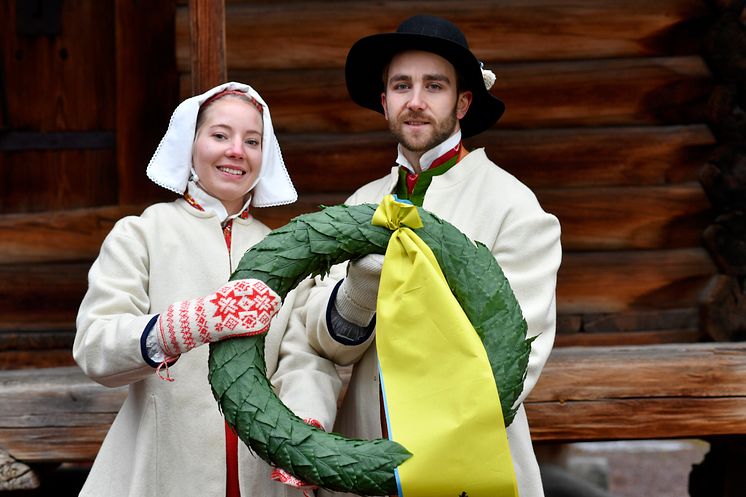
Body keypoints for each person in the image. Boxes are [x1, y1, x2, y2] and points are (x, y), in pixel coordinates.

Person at [295, 15, 562, 497]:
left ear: (462, 103)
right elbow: (323, 342)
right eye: (401, 86)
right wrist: (356, 295)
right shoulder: (357, 205)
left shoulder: (515, 208)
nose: (415, 102)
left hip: (468, 469)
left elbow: (516, 358)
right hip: (366, 465)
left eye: (433, 86)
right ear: (385, 102)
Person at [73, 82, 341, 497]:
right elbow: (95, 346)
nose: (236, 150)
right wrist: (181, 326)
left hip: (262, 479)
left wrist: (302, 430)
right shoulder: (142, 234)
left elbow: (302, 357)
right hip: (164, 474)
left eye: (252, 141)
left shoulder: (287, 251)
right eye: (220, 135)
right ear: (190, 144)